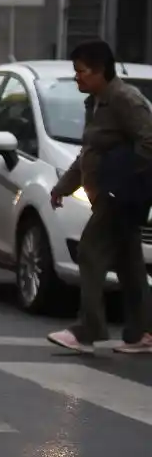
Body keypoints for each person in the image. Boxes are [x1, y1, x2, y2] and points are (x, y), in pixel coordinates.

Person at [48, 40, 152, 354]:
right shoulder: (94, 102)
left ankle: (88, 330)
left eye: (81, 72)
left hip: (119, 196)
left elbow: (149, 142)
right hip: (107, 194)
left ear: (100, 71)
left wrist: (121, 181)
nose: (76, 77)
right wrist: (63, 187)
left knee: (90, 252)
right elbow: (88, 153)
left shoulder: (124, 98)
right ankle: (144, 333)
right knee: (130, 265)